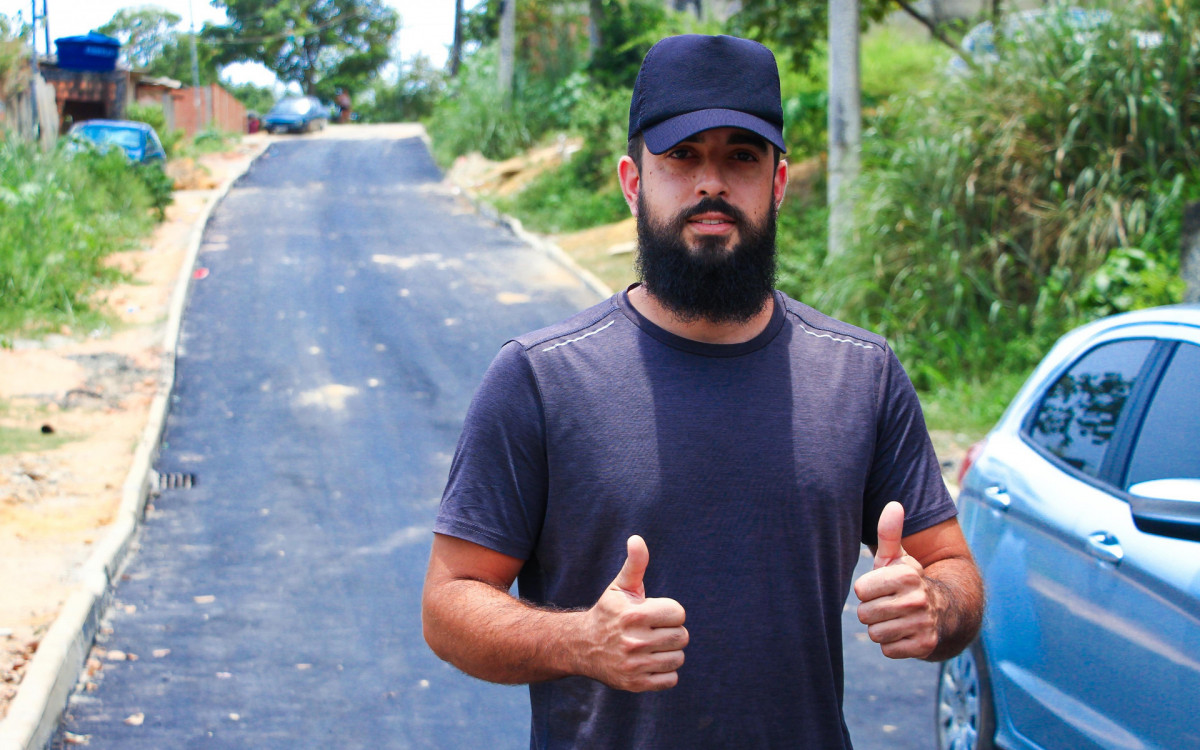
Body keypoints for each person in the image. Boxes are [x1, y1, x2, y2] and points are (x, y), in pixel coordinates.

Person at [422, 34, 984, 749]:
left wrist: (935, 605)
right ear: (633, 181)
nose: (710, 183)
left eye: (740, 157)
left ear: (777, 184)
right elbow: (448, 605)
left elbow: (954, 572)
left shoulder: (861, 375)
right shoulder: (540, 378)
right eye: (682, 156)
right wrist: (579, 642)